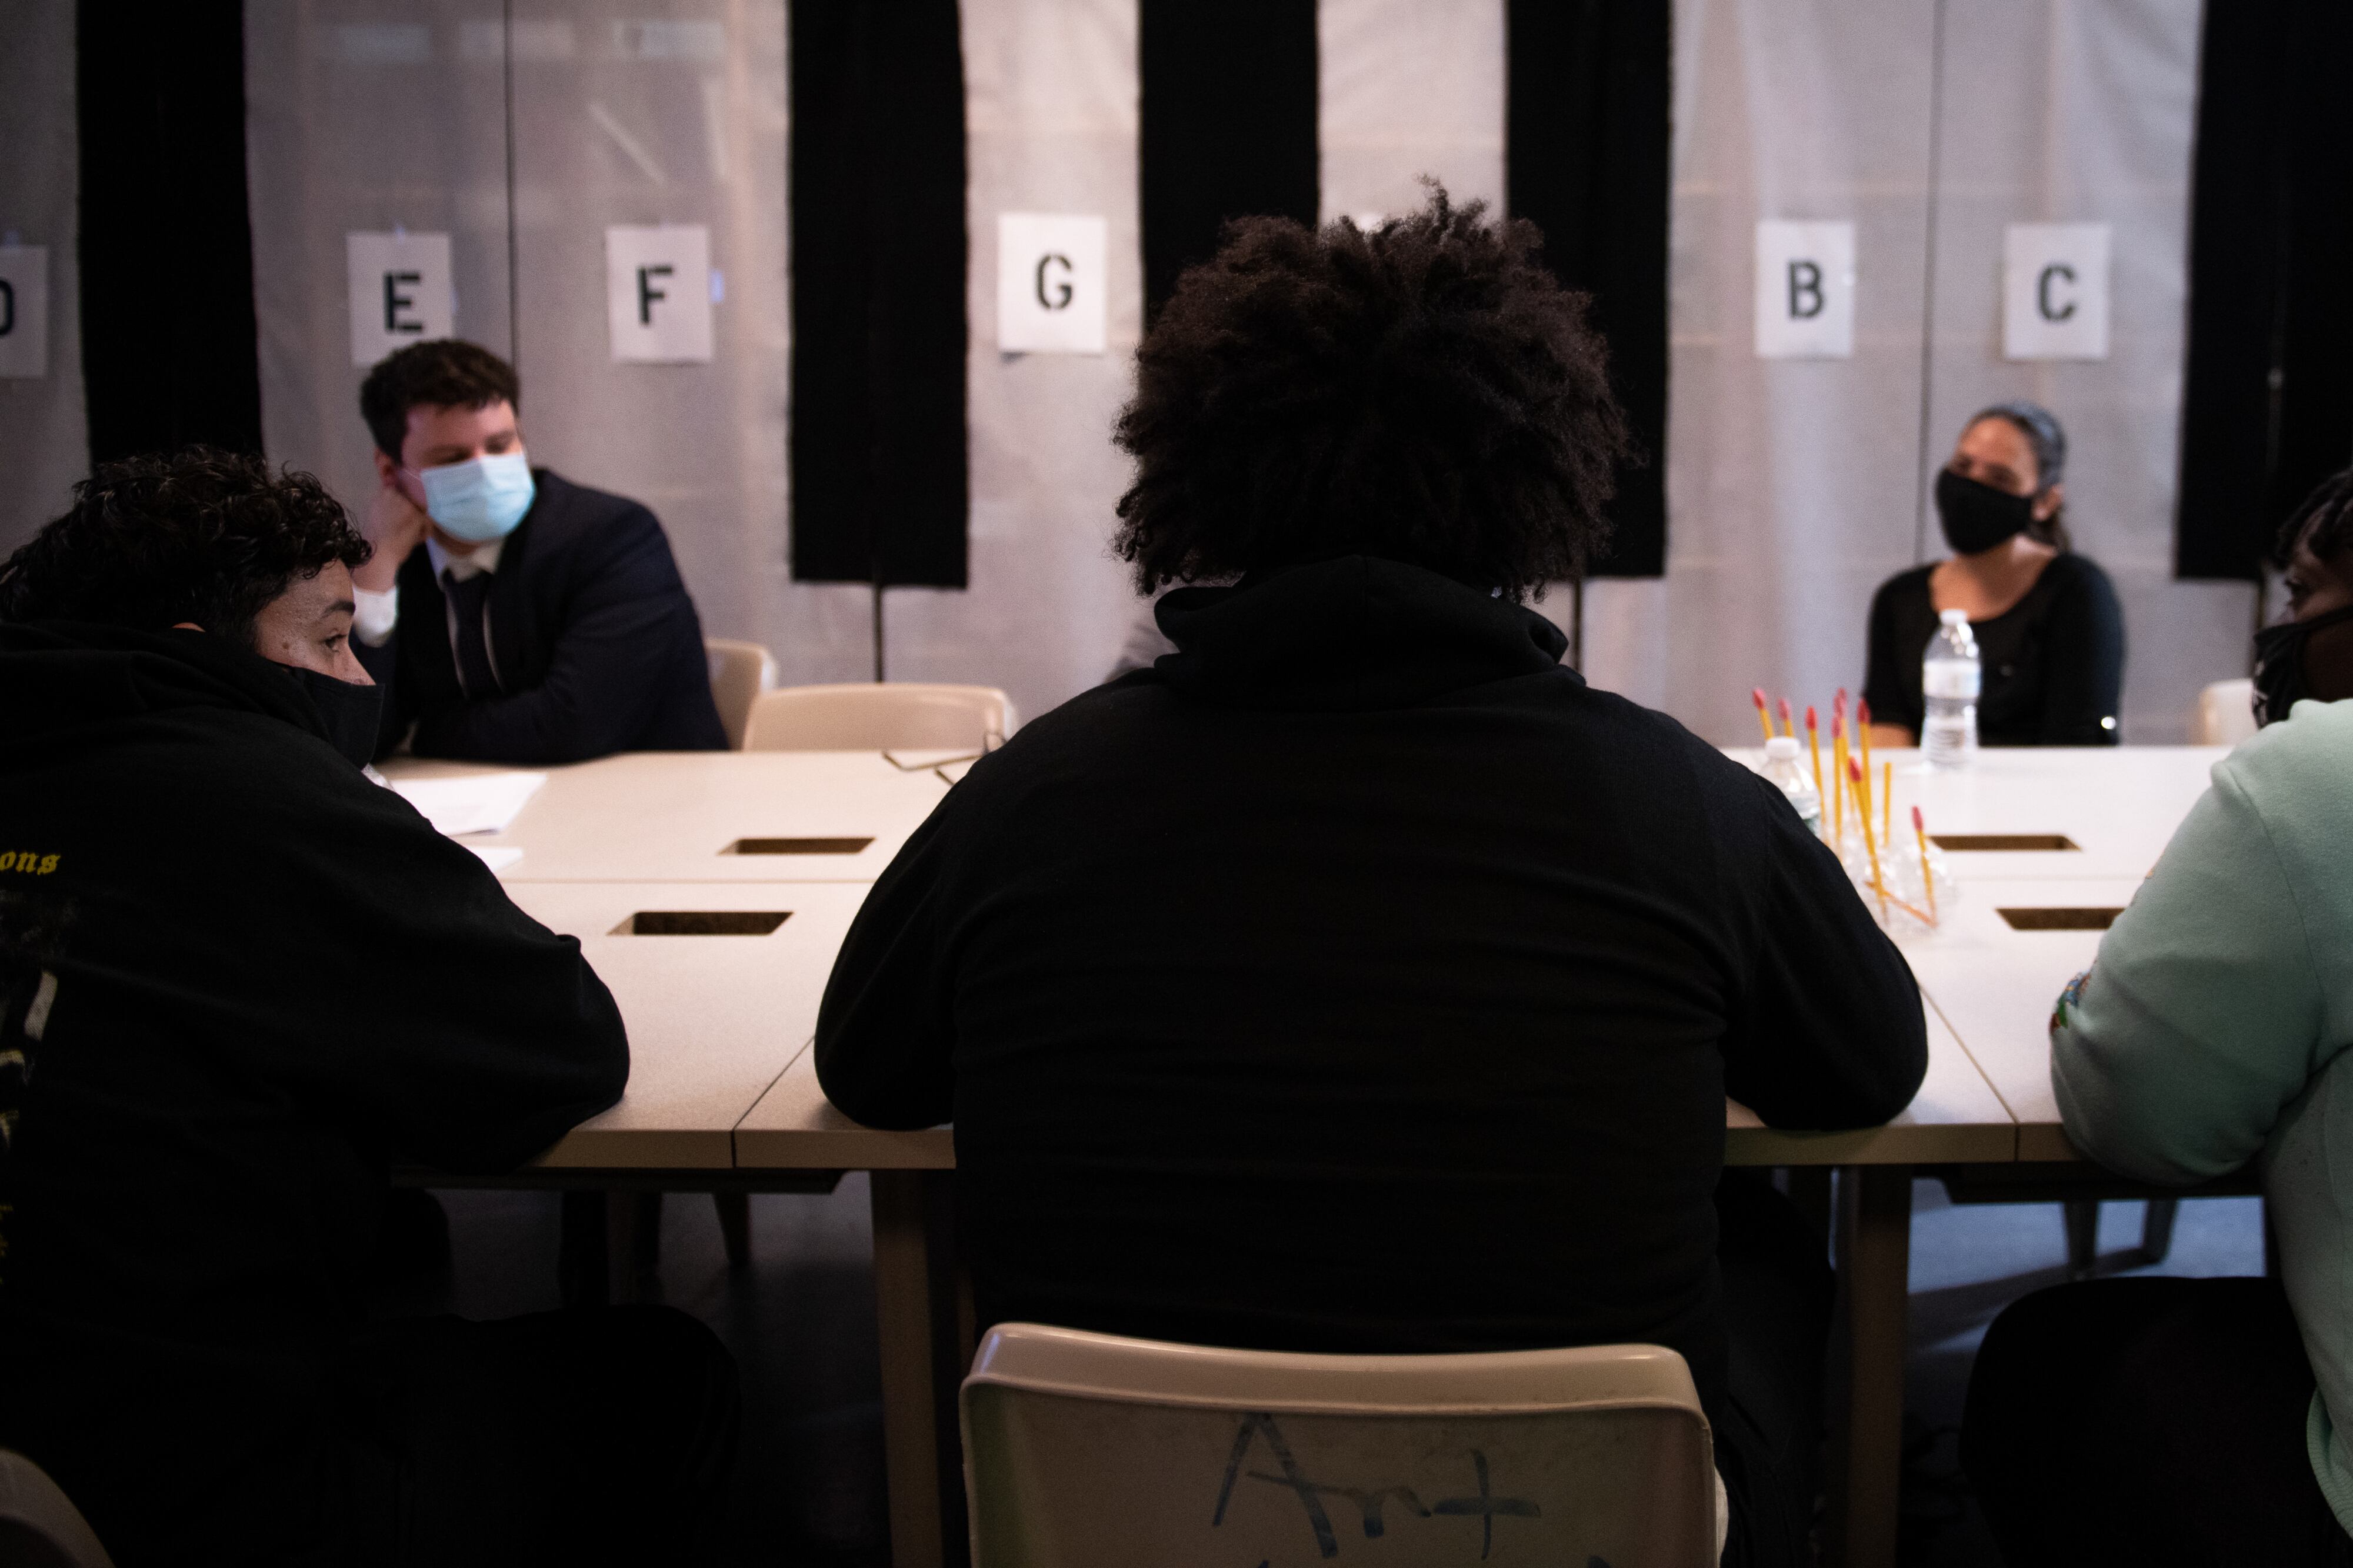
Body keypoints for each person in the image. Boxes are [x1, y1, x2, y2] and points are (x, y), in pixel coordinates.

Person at [815, 194, 1927, 1567]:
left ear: (1200, 486)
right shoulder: (1680, 804)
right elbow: (1867, 1066)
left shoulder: (1033, 796)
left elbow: (867, 1070)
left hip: (1123, 1521)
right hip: (1572, 1533)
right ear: (1532, 490)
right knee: (1762, 1254)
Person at [0, 448, 736, 1564]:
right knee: (671, 1374)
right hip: (190, 1485)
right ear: (206, 654)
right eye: (332, 639)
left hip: (35, 1448)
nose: (357, 682)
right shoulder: (254, 792)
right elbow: (563, 1043)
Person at [1960, 468, 2353, 1565]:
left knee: (2044, 1358)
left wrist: (2096, 992)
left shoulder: (2318, 776)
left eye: (2305, 594)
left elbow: (2139, 1115)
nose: (2285, 627)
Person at [351, 338, 728, 763]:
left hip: (655, 801)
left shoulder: (612, 536)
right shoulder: (399, 560)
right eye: (453, 458)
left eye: (499, 446)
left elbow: (570, 725)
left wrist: (426, 731)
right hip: (472, 813)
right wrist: (375, 574)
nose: (485, 471)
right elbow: (357, 736)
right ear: (389, 470)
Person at [1862, 402, 2125, 748]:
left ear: (2045, 502)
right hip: (1928, 795)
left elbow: (2078, 744)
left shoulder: (2076, 591)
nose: (1971, 487)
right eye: (1962, 466)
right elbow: (1887, 731)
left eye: (2000, 478)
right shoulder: (1899, 597)